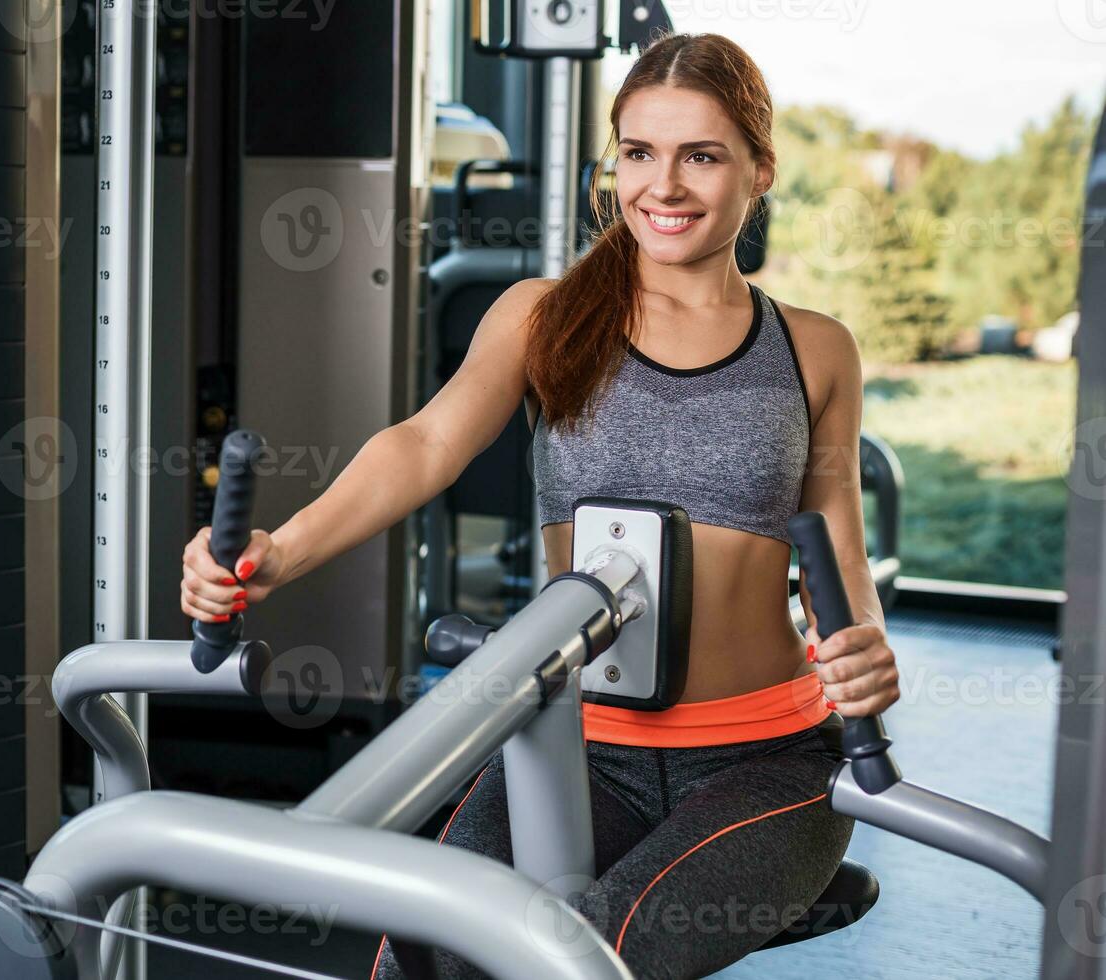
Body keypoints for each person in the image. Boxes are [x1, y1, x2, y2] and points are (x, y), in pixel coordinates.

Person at [179, 31, 900, 980]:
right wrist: (281, 552)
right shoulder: (543, 315)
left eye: (702, 155)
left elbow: (843, 567)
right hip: (572, 747)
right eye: (640, 152)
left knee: (577, 961)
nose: (665, 185)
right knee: (421, 964)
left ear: (759, 170)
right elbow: (426, 444)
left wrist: (870, 657)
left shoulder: (815, 350)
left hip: (764, 762)